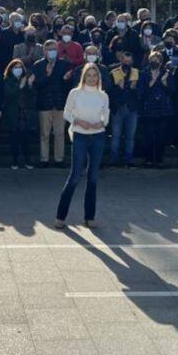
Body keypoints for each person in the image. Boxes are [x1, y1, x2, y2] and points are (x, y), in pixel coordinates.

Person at [54, 63, 110, 228]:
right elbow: (66, 113)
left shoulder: (103, 96)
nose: (92, 79)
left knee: (93, 177)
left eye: (95, 76)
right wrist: (78, 121)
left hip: (97, 136)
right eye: (89, 75)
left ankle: (89, 217)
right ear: (83, 76)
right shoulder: (75, 93)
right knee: (75, 176)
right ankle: (60, 216)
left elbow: (105, 116)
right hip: (80, 136)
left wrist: (100, 124)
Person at [33, 40, 73, 167]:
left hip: (60, 103)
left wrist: (67, 79)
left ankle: (59, 159)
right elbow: (37, 85)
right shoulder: (38, 65)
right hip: (44, 104)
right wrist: (47, 75)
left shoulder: (64, 64)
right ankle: (44, 159)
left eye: (54, 49)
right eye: (49, 49)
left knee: (60, 133)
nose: (52, 52)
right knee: (44, 133)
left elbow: (68, 85)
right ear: (44, 51)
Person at [139, 51, 174, 168]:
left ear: (161, 61)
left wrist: (164, 82)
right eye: (153, 59)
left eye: (157, 60)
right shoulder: (144, 73)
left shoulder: (166, 73)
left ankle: (159, 158)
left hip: (163, 108)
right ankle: (148, 158)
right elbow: (142, 92)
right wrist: (152, 81)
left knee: (160, 135)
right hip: (149, 108)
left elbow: (172, 91)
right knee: (149, 135)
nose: (155, 62)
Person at [1, 58, 38, 169]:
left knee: (26, 139)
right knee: (15, 139)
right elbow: (9, 96)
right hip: (14, 113)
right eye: (16, 67)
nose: (18, 69)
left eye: (20, 67)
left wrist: (30, 85)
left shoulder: (25, 79)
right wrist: (20, 87)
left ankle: (28, 161)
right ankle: (14, 161)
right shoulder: (7, 80)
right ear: (11, 69)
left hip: (25, 113)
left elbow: (32, 97)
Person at [107, 49, 141, 168]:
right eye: (124, 60)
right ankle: (113, 160)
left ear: (132, 61)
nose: (126, 63)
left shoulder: (136, 73)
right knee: (115, 136)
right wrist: (119, 88)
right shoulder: (114, 73)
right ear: (121, 60)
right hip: (118, 108)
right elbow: (109, 92)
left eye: (129, 61)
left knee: (130, 136)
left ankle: (128, 160)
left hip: (131, 109)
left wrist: (133, 88)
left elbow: (140, 93)